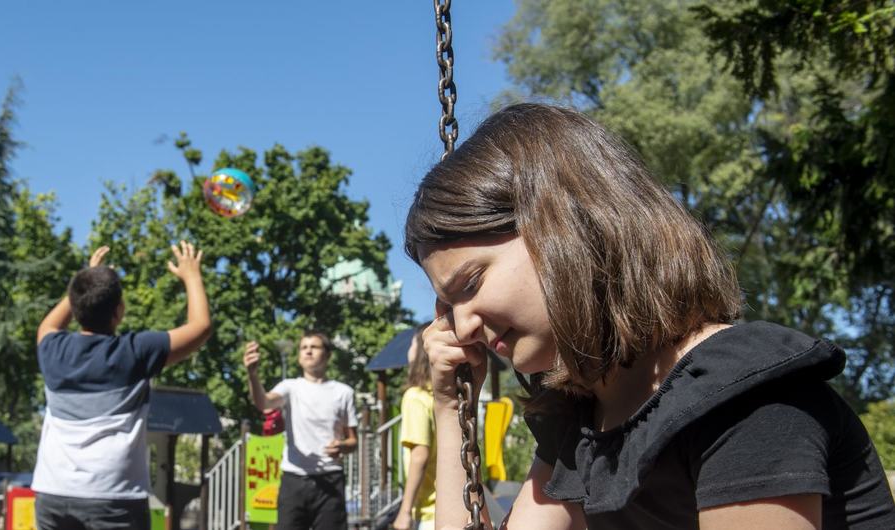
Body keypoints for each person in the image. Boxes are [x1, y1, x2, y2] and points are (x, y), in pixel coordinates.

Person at [404, 103, 895, 530]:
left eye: (470, 284)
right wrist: (452, 408)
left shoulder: (743, 399)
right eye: (449, 306)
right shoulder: (586, 416)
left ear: (567, 228)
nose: (462, 326)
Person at [32, 242, 212, 529]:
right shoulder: (135, 351)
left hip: (54, 493)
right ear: (119, 311)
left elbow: (48, 325)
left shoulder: (53, 349)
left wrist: (86, 279)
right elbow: (200, 326)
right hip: (113, 497)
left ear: (75, 308)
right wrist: (192, 276)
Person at [243, 332, 359, 530]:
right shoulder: (290, 387)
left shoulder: (344, 392)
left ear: (328, 355)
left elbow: (353, 441)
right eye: (304, 347)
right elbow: (263, 403)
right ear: (298, 356)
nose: (308, 351)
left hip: (330, 479)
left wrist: (341, 446)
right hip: (294, 479)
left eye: (314, 347)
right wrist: (252, 375)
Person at [393, 326, 437, 530]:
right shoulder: (443, 397)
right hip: (451, 503)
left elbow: (420, 455)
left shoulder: (415, 397)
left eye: (411, 344)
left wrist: (405, 510)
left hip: (428, 512)